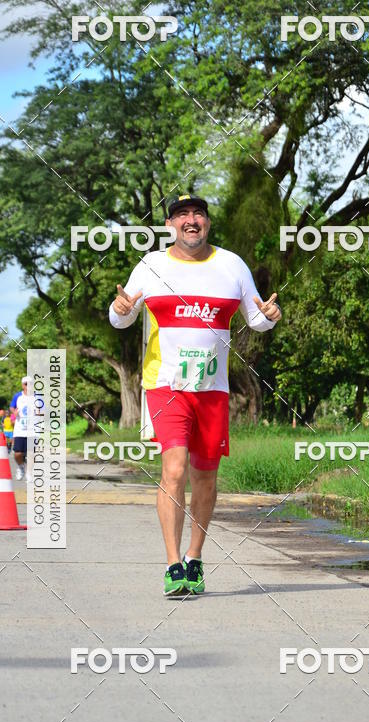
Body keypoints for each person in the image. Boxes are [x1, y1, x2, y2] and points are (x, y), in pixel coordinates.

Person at [109, 194, 282, 597]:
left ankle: (194, 558)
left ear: (207, 224)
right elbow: (121, 317)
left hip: (212, 389)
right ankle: (172, 565)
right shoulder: (152, 265)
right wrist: (119, 308)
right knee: (174, 469)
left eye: (198, 215)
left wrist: (270, 317)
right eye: (182, 215)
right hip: (165, 385)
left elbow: (255, 319)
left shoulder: (231, 265)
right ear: (170, 225)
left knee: (205, 475)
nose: (191, 221)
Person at [11, 376, 32, 480]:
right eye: (26, 384)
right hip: (20, 430)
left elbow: (43, 409)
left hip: (32, 430)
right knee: (18, 453)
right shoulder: (18, 396)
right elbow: (12, 406)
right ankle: (21, 467)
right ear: (23, 385)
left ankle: (29, 473)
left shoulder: (37, 397)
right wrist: (14, 412)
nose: (28, 386)